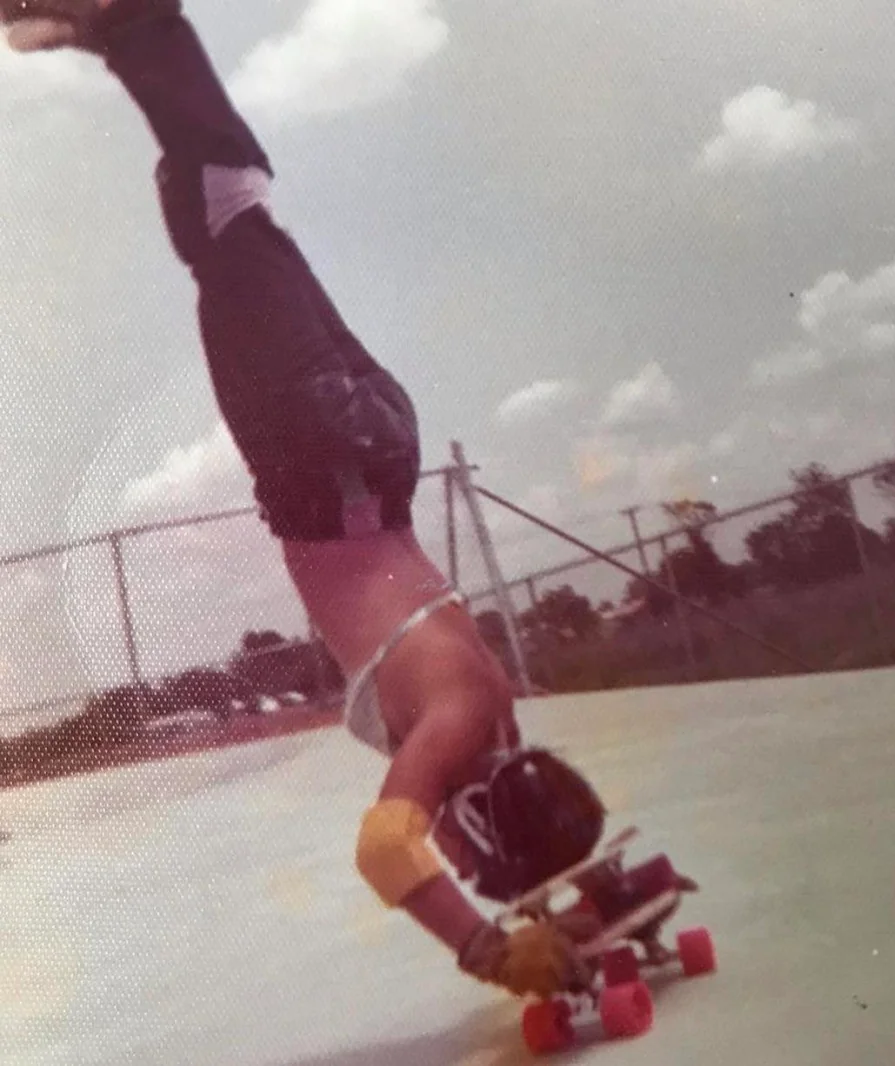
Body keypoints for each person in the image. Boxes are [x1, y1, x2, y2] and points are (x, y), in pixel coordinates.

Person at [1, 0, 607, 999]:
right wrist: (492, 952)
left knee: (233, 220)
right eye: (472, 858)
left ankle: (123, 33)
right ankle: (133, 20)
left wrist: (571, 906)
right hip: (323, 457)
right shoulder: (461, 723)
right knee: (226, 221)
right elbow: (386, 847)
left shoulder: (491, 728)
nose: (454, 861)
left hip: (369, 453)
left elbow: (477, 821)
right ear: (481, 815)